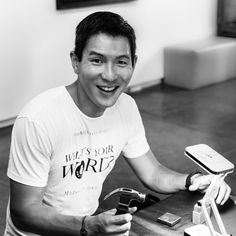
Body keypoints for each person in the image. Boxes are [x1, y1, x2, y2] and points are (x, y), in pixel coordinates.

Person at [4, 11, 231, 236]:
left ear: (133, 63)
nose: (110, 75)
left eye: (121, 62)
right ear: (75, 62)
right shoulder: (38, 119)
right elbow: (24, 213)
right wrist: (88, 225)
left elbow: (153, 174)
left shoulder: (126, 107)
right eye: (97, 60)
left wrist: (196, 180)